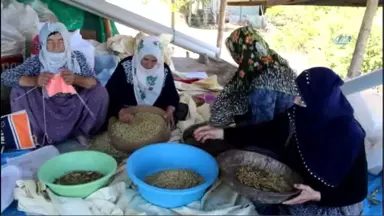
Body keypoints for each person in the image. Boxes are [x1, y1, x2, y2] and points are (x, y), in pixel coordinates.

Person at [194, 67, 367, 215]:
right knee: (255, 161)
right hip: (296, 179)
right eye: (298, 94)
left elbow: (357, 191)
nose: (295, 100)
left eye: (303, 98)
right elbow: (268, 132)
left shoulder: (349, 136)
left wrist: (317, 196)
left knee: (295, 209)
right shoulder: (299, 114)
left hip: (330, 198)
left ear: (321, 104)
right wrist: (223, 133)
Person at [1, 22, 109, 146]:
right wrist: (35, 81)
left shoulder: (76, 58)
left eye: (60, 40)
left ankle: (83, 132)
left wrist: (75, 79)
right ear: (43, 43)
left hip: (74, 106)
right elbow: (6, 77)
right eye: (50, 41)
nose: (56, 46)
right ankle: (35, 136)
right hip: (44, 108)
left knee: (100, 92)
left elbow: (93, 82)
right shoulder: (37, 61)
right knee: (18, 91)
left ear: (66, 41)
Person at [210, 26, 298, 126]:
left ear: (241, 51)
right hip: (292, 134)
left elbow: (260, 129)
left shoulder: (262, 80)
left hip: (273, 137)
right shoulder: (285, 69)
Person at [106, 35, 179, 127]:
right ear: (139, 54)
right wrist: (119, 111)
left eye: (154, 60)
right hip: (127, 111)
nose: (149, 64)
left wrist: (170, 109)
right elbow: (110, 93)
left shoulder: (163, 69)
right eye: (145, 59)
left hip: (155, 113)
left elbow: (172, 95)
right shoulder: (126, 66)